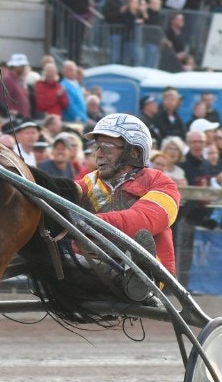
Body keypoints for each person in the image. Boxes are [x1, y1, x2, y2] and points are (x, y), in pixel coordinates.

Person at [73, 113, 180, 299]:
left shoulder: (161, 183)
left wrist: (84, 221)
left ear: (134, 152)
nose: (98, 154)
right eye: (97, 146)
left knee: (141, 236)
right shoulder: (85, 184)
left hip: (154, 272)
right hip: (94, 264)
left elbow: (143, 220)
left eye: (107, 147)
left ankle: (141, 277)